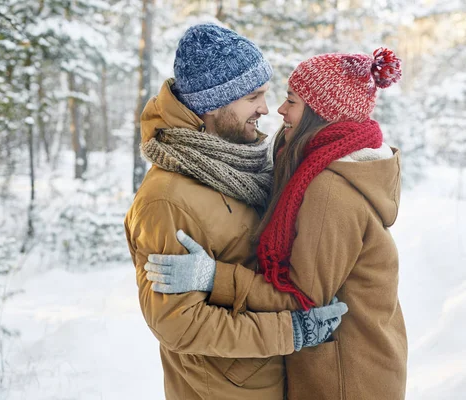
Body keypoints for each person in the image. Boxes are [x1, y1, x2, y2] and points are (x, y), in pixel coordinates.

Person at [145, 48, 408, 399]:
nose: (275, 110)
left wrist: (214, 276)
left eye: (290, 101)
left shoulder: (330, 188)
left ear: (320, 114)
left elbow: (302, 296)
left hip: (343, 378)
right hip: (328, 369)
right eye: (255, 97)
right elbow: (177, 322)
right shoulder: (318, 165)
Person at [124, 23, 348, 400]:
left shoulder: (247, 164)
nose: (265, 107)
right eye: (252, 96)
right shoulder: (167, 198)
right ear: (213, 104)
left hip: (272, 381)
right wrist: (290, 332)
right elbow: (178, 324)